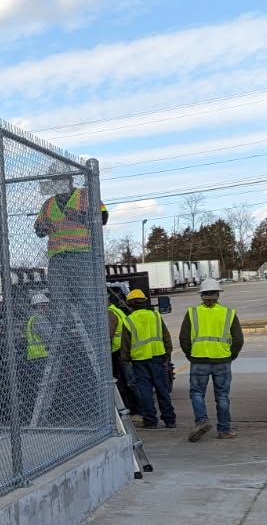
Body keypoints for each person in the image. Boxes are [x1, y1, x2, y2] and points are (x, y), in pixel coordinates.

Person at [34, 163, 108, 340]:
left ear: (69, 179)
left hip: (82, 255)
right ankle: (64, 337)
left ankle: (92, 337)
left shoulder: (86, 196)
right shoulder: (49, 203)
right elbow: (38, 229)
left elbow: (103, 217)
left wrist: (80, 217)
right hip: (58, 258)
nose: (57, 183)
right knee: (59, 300)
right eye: (54, 180)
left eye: (59, 179)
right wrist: (43, 226)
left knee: (87, 300)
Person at [179, 277, 243, 441]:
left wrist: (190, 355)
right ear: (218, 295)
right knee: (222, 396)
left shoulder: (192, 312)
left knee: (196, 393)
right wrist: (231, 356)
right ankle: (224, 430)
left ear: (201, 295)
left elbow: (184, 338)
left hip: (198, 360)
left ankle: (201, 420)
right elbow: (238, 340)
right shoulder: (228, 313)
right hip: (222, 360)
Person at [124, 289, 176, 429]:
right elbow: (166, 337)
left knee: (145, 391)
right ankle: (169, 420)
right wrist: (167, 355)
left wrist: (125, 359)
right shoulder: (155, 316)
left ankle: (150, 421)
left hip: (139, 361)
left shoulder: (129, 320)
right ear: (144, 302)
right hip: (158, 358)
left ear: (130, 304)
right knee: (162, 389)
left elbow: (125, 343)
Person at [107, 287, 138, 417]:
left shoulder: (109, 313)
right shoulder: (117, 310)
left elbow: (109, 334)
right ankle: (136, 407)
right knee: (129, 380)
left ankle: (131, 407)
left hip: (117, 351)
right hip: (123, 349)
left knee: (124, 382)